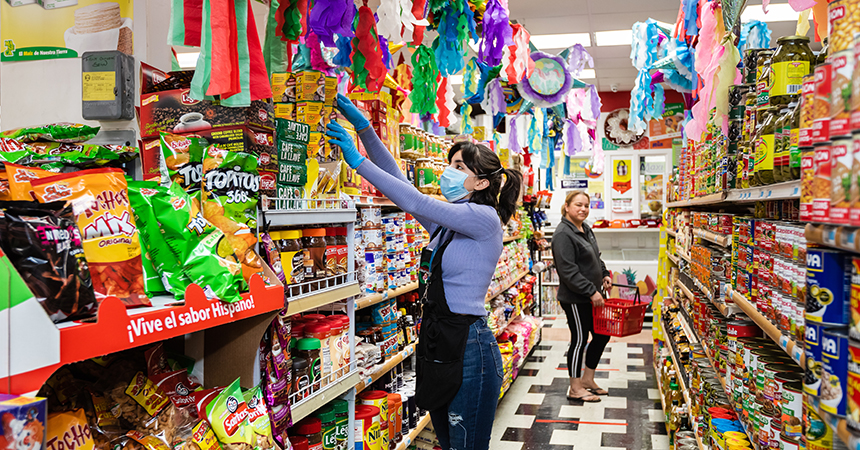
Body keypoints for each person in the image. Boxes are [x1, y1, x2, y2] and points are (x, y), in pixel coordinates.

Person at [326, 94, 523, 450]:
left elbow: (414, 200)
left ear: (481, 183)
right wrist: (365, 129)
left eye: (460, 167)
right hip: (440, 341)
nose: (450, 171)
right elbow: (401, 180)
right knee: (448, 443)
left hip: (469, 346)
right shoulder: (448, 224)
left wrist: (356, 162)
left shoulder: (482, 218)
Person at [551, 190, 612, 402]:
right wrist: (591, 291)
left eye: (586, 205)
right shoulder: (563, 235)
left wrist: (604, 274)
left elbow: (595, 257)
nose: (583, 209)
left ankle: (588, 379)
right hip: (576, 299)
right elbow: (568, 271)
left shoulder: (585, 228)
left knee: (603, 335)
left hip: (592, 295)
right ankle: (575, 388)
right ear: (567, 206)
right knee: (579, 340)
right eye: (578, 205)